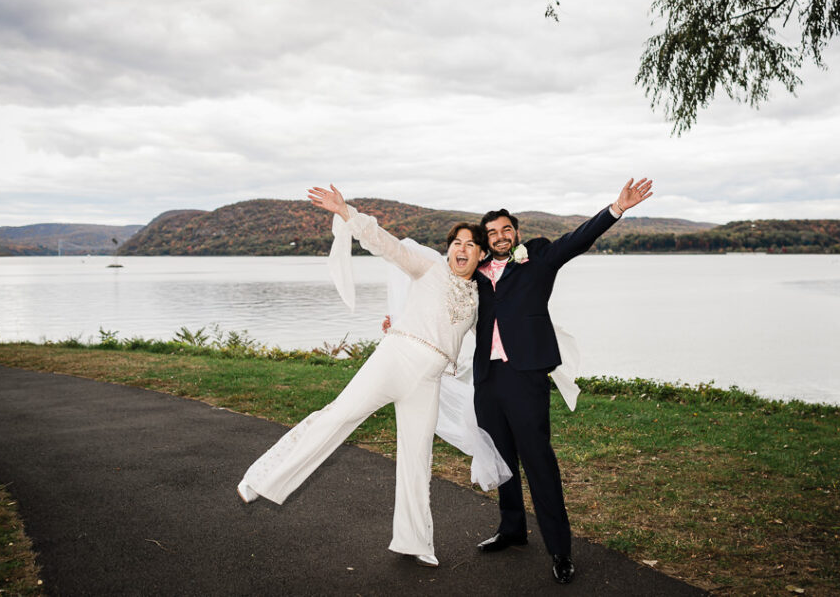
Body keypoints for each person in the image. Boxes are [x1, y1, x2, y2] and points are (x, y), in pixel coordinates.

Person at [236, 184, 492, 568]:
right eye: (456, 242)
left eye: (470, 244)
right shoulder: (430, 268)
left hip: (428, 381)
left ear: (481, 254)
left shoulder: (477, 297)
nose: (460, 248)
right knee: (338, 417)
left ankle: (414, 540)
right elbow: (390, 246)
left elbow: (492, 336)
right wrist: (347, 213)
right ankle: (261, 479)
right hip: (395, 360)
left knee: (417, 458)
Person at [473, 177, 654, 584]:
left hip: (526, 376)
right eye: (492, 233)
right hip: (486, 379)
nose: (500, 237)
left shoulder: (538, 261)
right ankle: (512, 529)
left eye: (506, 229)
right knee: (501, 460)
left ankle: (560, 550)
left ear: (515, 233)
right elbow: (442, 303)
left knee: (539, 462)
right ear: (485, 239)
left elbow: (577, 240)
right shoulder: (474, 274)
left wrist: (616, 209)